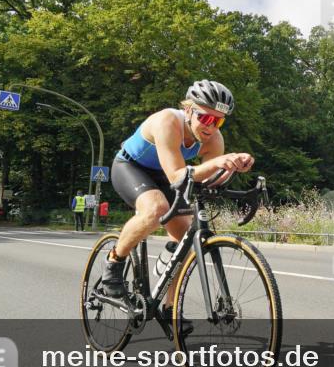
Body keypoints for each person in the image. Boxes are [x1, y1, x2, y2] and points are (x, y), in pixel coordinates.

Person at [103, 80, 254, 307]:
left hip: (168, 174)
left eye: (218, 121)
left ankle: (170, 309)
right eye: (205, 118)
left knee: (187, 236)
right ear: (188, 111)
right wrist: (219, 163)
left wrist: (230, 167)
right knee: (156, 209)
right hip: (131, 167)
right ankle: (114, 263)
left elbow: (206, 179)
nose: (211, 127)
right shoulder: (167, 121)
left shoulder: (214, 139)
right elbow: (176, 176)